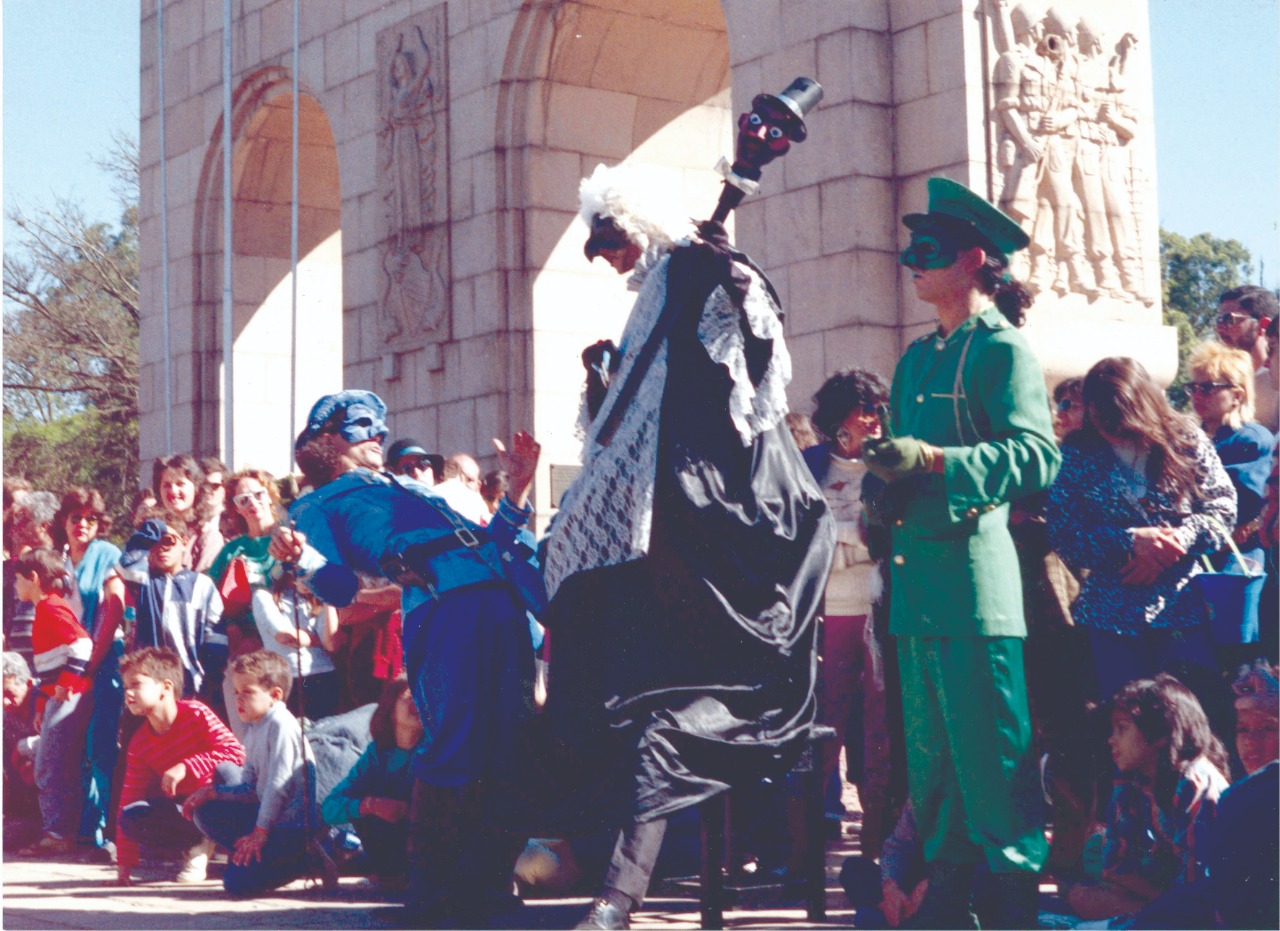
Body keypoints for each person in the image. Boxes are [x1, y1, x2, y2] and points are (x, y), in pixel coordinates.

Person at [544, 154, 834, 930]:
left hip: (747, 553)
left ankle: (619, 896)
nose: (608, 258)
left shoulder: (698, 273)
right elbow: (639, 411)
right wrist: (607, 387)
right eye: (598, 246)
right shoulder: (655, 297)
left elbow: (746, 348)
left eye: (612, 239)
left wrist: (712, 266)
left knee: (663, 732)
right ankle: (600, 876)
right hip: (684, 546)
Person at [862, 176, 1060, 927]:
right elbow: (906, 464)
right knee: (935, 773)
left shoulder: (1003, 350)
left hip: (978, 596)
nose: (913, 261)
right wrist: (882, 477)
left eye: (930, 251)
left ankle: (1009, 910)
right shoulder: (914, 360)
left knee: (992, 771)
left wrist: (937, 461)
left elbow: (1038, 457)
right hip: (918, 596)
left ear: (975, 259)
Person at [269, 389, 545, 927]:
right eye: (363, 425)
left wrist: (518, 490)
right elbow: (343, 588)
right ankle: (431, 897)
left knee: (512, 749)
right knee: (457, 746)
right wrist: (300, 556)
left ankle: (487, 888)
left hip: (501, 600)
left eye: (380, 424)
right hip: (445, 612)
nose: (378, 433)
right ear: (327, 439)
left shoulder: (404, 486)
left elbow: (488, 541)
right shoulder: (317, 504)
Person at [1046, 356, 1236, 699]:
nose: (1111, 430)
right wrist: (1131, 542)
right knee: (1128, 721)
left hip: (1181, 610)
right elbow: (1064, 533)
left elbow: (1223, 508)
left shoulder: (1186, 440)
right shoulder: (1078, 453)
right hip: (1111, 616)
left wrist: (1178, 539)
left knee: (1190, 712)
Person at [803, 367, 894, 856]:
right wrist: (850, 536)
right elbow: (799, 532)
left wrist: (842, 536)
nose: (875, 420)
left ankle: (878, 841)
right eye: (865, 410)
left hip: (879, 608)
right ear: (839, 418)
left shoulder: (891, 467)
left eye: (879, 408)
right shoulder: (808, 464)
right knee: (825, 726)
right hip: (825, 612)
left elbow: (886, 537)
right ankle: (809, 839)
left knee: (881, 729)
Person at [1064, 674, 1229, 923]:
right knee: (1083, 891)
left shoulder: (1195, 784)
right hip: (1163, 896)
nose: (1111, 740)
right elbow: (1115, 868)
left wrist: (1147, 897)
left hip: (1206, 904)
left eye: (1122, 728)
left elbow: (1198, 886)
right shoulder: (1132, 786)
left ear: (1160, 734)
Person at [186, 650, 329, 896]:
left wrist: (260, 832)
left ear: (275, 695)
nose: (239, 699)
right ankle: (250, 854)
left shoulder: (280, 724)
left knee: (236, 884)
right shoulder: (254, 728)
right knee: (208, 805)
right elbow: (251, 789)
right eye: (236, 693)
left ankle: (308, 857)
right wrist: (211, 792)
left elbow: (278, 784)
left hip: (291, 827)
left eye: (247, 692)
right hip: (269, 817)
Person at [114, 646, 244, 885]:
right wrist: (124, 868)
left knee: (228, 772)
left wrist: (185, 766)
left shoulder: (196, 713)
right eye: (125, 687)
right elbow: (128, 796)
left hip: (219, 800)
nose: (128, 693)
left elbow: (236, 754)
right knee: (131, 815)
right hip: (187, 810)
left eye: (136, 684)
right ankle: (196, 845)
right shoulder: (140, 742)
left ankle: (235, 848)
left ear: (165, 687)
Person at [1185, 341, 1274, 663]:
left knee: (1236, 648)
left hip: (1236, 554)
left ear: (1236, 394)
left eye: (1208, 387)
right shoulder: (1187, 438)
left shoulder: (1250, 439)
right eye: (1193, 387)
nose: (1197, 395)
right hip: (1195, 552)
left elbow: (1245, 505)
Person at [51, 487, 126, 853]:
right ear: (63, 521)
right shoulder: (59, 559)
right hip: (67, 665)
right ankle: (72, 828)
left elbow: (114, 609)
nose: (82, 524)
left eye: (90, 519)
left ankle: (101, 830)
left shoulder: (108, 554)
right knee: (68, 745)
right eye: (75, 517)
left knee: (100, 744)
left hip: (103, 660)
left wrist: (91, 663)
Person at [12, 548, 94, 856]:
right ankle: (60, 831)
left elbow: (82, 645)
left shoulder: (49, 607)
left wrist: (65, 686)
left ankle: (57, 833)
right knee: (55, 763)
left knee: (48, 765)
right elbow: (51, 668)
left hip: (70, 698)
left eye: (18, 579)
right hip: (57, 700)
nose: (16, 586)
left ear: (33, 578)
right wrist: (41, 705)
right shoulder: (44, 609)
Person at [321, 673, 420, 889]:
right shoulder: (377, 754)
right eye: (409, 696)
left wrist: (406, 810)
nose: (419, 701)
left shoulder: (433, 751)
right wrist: (370, 805)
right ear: (390, 709)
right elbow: (330, 807)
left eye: (424, 695)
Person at [206, 469, 285, 734]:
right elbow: (212, 598)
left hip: (286, 645)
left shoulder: (288, 537)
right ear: (236, 509)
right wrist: (233, 630)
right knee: (246, 731)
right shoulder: (233, 550)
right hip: (246, 649)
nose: (252, 503)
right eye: (243, 500)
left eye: (258, 494)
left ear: (270, 495)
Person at [117, 515, 227, 701]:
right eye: (153, 542)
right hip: (147, 684)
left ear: (184, 542)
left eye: (168, 541)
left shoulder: (201, 584)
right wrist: (150, 529)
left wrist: (209, 677)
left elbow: (216, 636)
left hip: (191, 684)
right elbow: (125, 565)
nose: (161, 548)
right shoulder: (143, 581)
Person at [250, 573, 340, 720]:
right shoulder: (264, 597)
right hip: (290, 679)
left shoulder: (317, 600)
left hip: (324, 676)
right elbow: (286, 636)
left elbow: (331, 644)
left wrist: (328, 599)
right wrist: (317, 641)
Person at [3, 490, 59, 669]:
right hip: (16, 662)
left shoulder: (60, 563)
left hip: (49, 661)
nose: (16, 526)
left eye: (24, 520)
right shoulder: (15, 567)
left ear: (43, 525)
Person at [1216, 285, 1277, 433]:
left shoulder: (1276, 384)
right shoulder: (1214, 385)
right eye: (1218, 321)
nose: (1220, 328)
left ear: (1263, 325)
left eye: (1229, 319)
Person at [152, 454, 223, 573]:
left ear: (196, 488)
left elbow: (203, 585)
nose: (173, 491)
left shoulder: (207, 536)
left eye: (180, 484)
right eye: (166, 485)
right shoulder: (151, 533)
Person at [3, 651, 41, 848]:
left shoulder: (45, 699)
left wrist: (23, 748)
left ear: (28, 684)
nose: (4, 702)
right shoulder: (6, 715)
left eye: (9, 694)